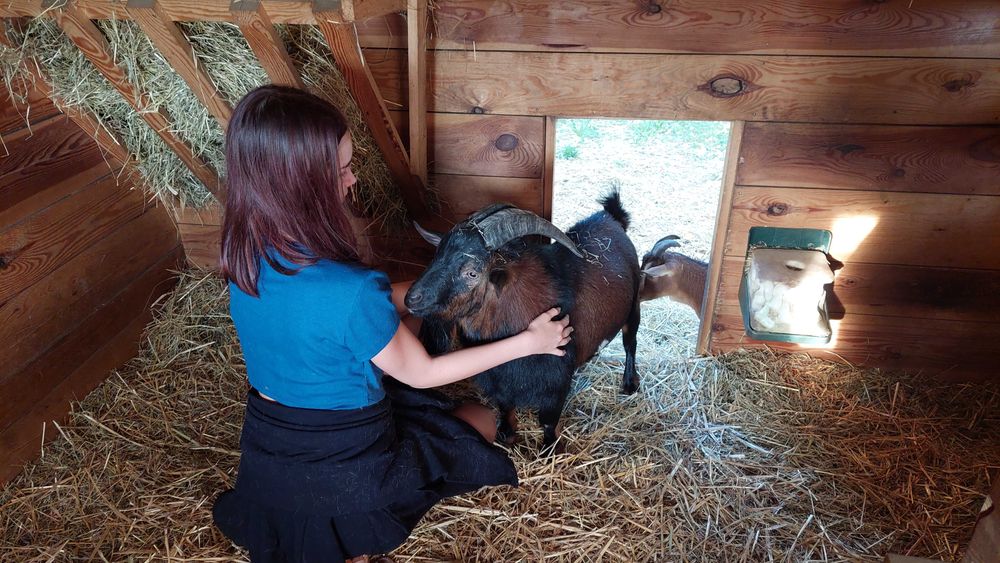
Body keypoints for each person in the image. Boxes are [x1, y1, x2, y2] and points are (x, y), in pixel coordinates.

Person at [211, 85, 573, 563]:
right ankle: (354, 538)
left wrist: (433, 292)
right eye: (341, 169)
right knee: (480, 420)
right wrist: (529, 341)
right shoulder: (351, 291)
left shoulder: (246, 258)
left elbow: (347, 308)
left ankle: (336, 539)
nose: (353, 178)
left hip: (272, 454)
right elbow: (421, 372)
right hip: (349, 462)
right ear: (303, 186)